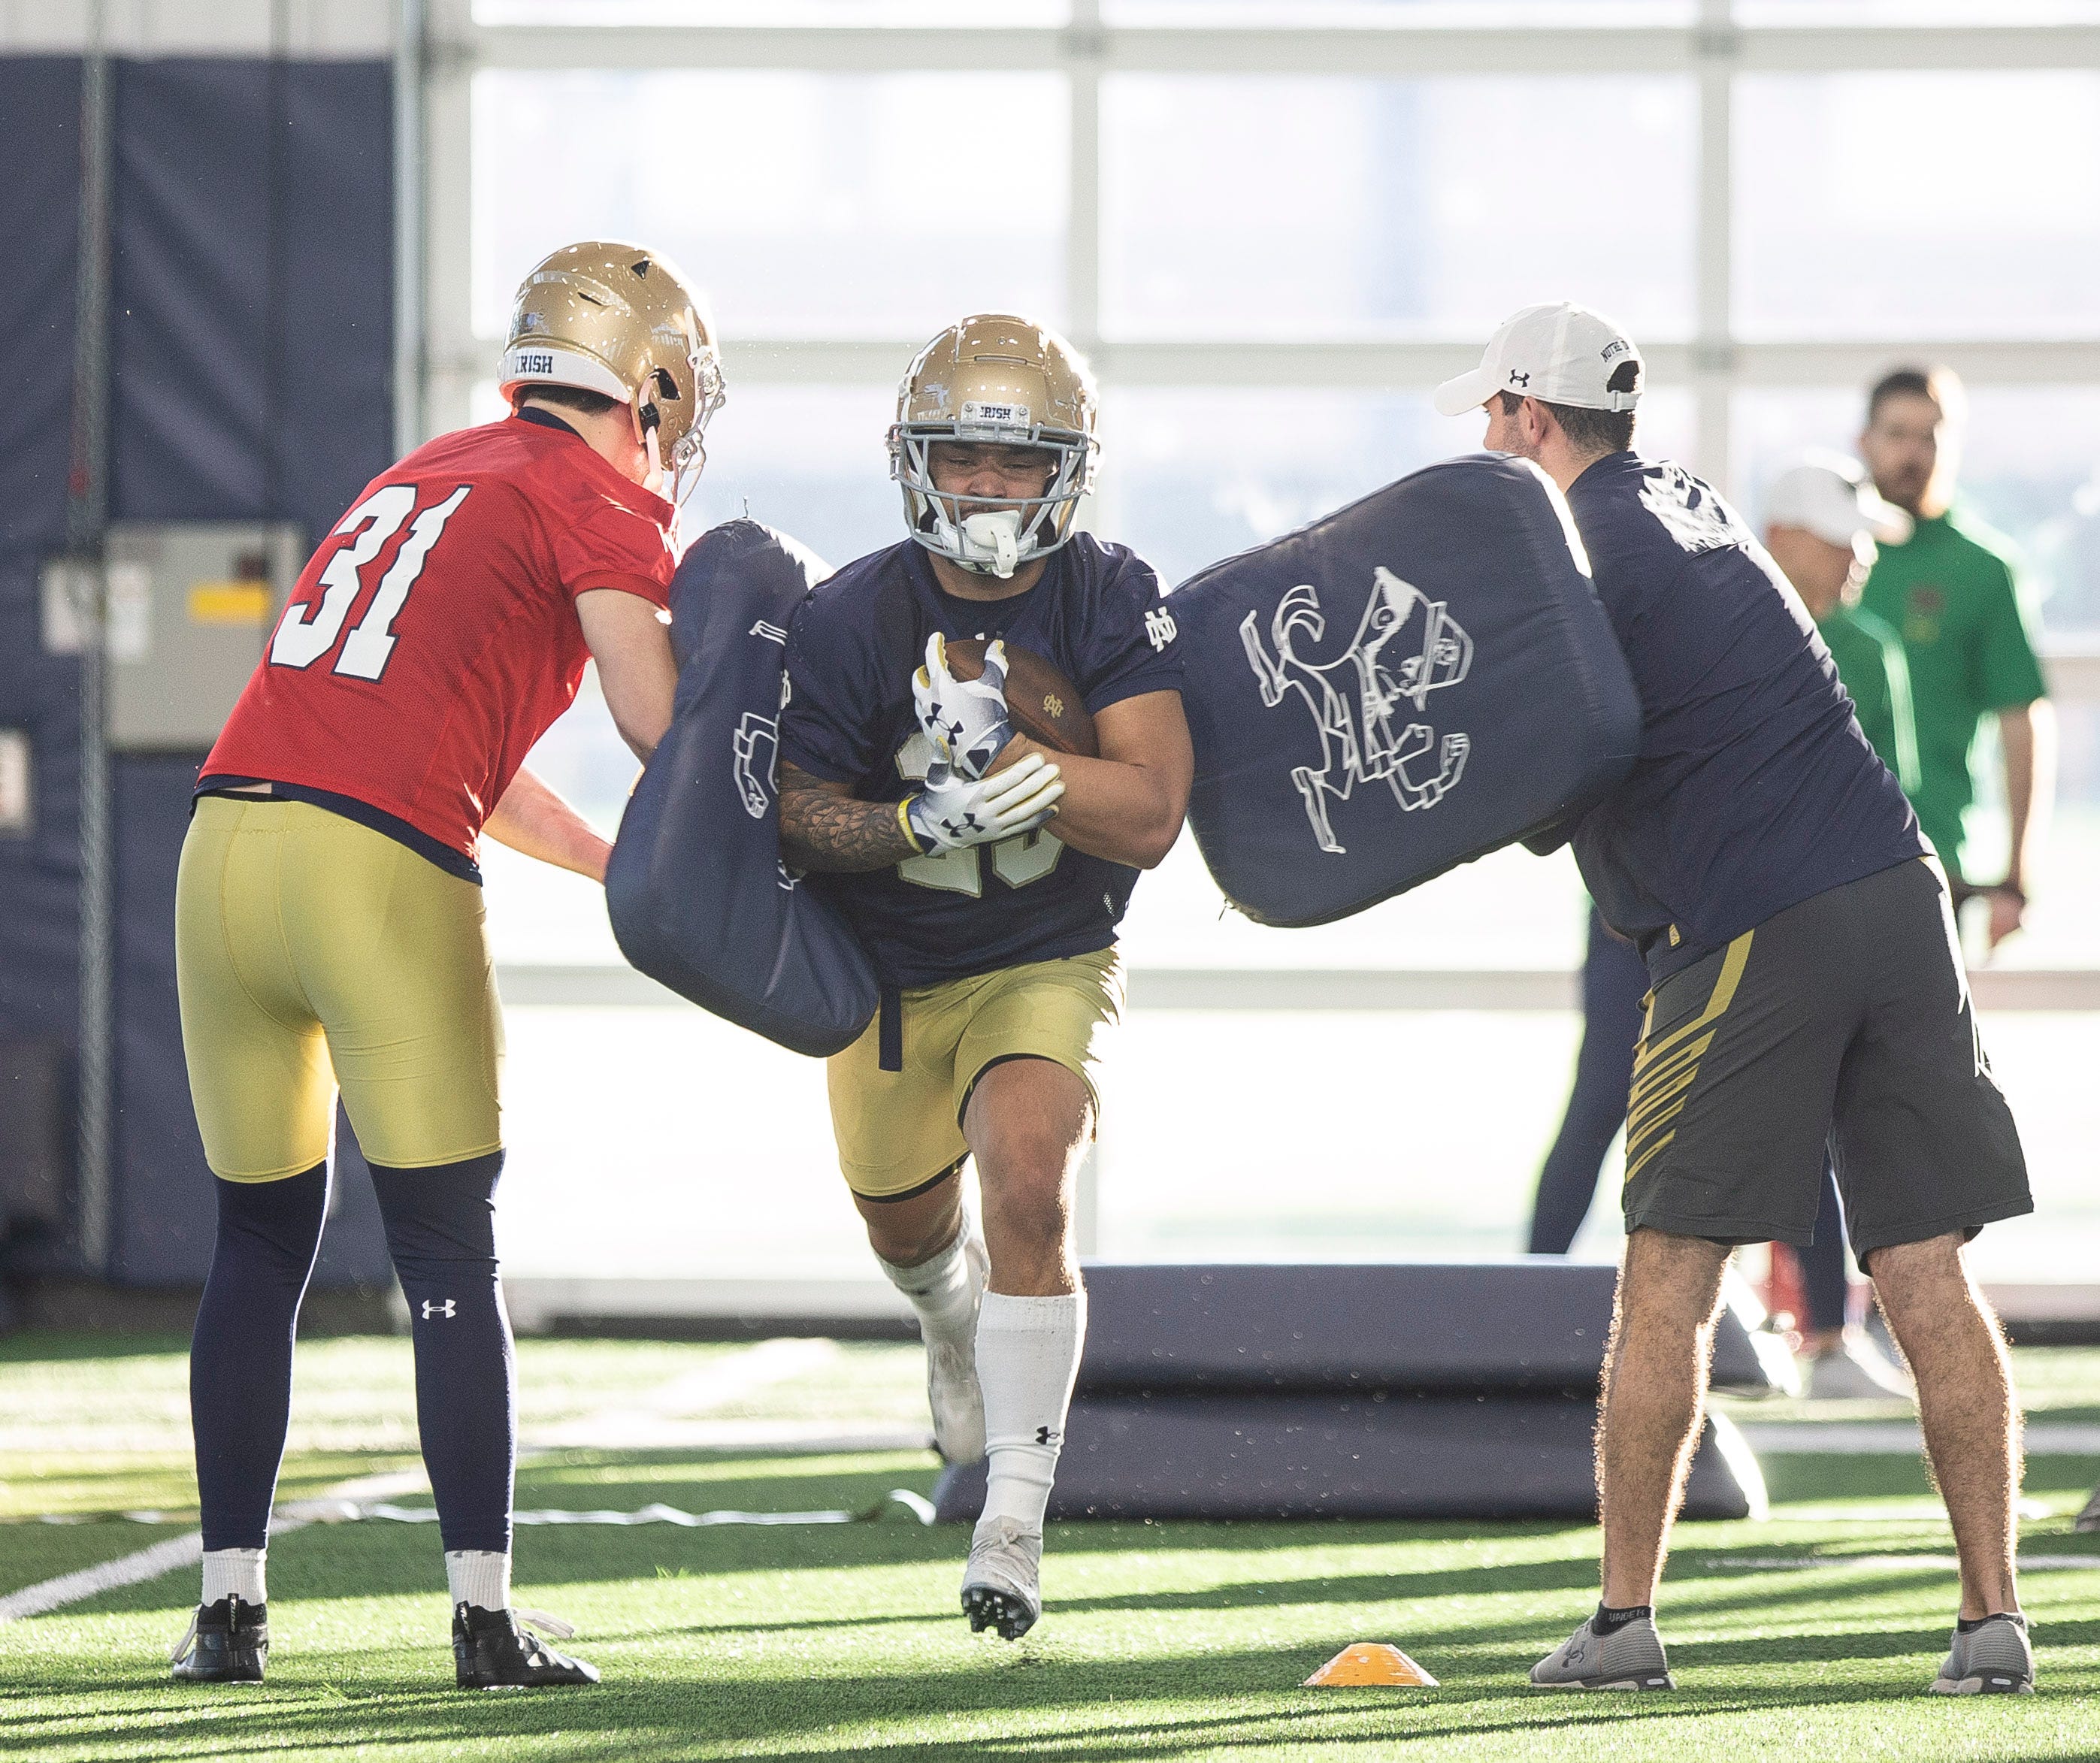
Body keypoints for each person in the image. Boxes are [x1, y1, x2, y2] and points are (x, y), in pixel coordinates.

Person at [1433, 303, 2034, 1695]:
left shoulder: (1571, 546)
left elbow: (1531, 778)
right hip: (1897, 891)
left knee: (1665, 1272)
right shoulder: (1690, 507)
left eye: (1489, 413)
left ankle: (1621, 1621)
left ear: (1530, 416)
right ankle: (1989, 1618)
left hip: (1759, 916)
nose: (1479, 436)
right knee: (1924, 1268)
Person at [170, 241, 724, 1689]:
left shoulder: (431, 469)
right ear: (650, 389)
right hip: (370, 872)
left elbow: (449, 749)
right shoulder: (593, 489)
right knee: (443, 1251)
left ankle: (228, 1610)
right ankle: (482, 1619)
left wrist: (618, 865)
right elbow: (653, 716)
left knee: (254, 1241)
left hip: (223, 848)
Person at [774, 314, 1189, 1641]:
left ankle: (1011, 1514)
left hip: (1040, 954)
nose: (993, 490)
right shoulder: (851, 613)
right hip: (886, 974)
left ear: (1066, 471)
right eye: (967, 459)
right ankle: (947, 1320)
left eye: (1022, 465)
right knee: (906, 1232)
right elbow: (793, 811)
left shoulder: (1108, 591)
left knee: (1026, 1178)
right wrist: (912, 825)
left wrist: (1025, 771)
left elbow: (1151, 812)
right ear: (917, 462)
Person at [1758, 454, 1922, 1401]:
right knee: (1614, 1119)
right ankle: (1532, 1302)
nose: (1859, 557)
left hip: (1820, 930)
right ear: (1783, 537)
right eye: (1842, 538)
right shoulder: (1720, 633)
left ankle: (1824, 1330)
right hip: (1679, 928)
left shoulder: (1867, 647)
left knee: (1827, 1121)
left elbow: (1885, 802)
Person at [1858, 367, 2054, 950]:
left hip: (1932, 857)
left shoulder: (1984, 569)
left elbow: (2021, 721)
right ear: (1865, 441)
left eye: (1930, 436)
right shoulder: (1827, 553)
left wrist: (2017, 875)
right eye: (1897, 433)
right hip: (1813, 860)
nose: (1913, 452)